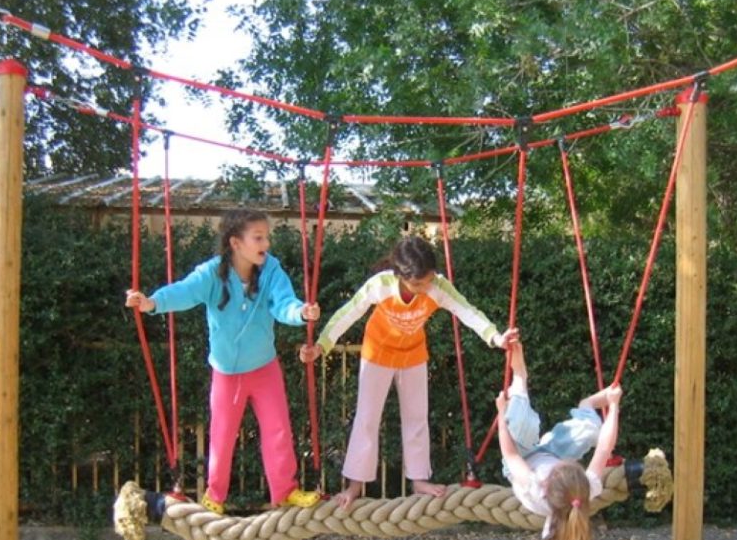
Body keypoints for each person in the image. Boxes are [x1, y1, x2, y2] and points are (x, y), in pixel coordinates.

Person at [125, 208, 321, 514]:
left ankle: (285, 491)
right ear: (236, 243)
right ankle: (215, 496)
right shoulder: (212, 273)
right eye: (258, 238)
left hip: (264, 367)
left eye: (266, 237)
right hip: (227, 372)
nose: (266, 244)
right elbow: (184, 291)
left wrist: (300, 313)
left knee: (278, 430)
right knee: (222, 435)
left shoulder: (271, 270)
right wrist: (152, 302)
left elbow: (283, 303)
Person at [300, 235, 517, 510]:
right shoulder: (381, 285)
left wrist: (496, 338)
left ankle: (418, 480)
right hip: (377, 354)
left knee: (416, 418)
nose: (425, 288)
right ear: (401, 276)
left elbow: (467, 311)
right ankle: (354, 485)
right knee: (367, 418)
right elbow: (348, 313)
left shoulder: (437, 287)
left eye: (429, 280)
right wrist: (322, 345)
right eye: (418, 284)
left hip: (413, 355)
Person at [494, 338, 622, 540]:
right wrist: (613, 406)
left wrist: (501, 414)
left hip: (522, 456)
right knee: (592, 431)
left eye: (562, 466)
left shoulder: (535, 487)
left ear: (548, 481)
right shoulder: (583, 488)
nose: (568, 462)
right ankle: (588, 404)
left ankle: (520, 377)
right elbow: (604, 447)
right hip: (549, 450)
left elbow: (511, 454)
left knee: (519, 421)